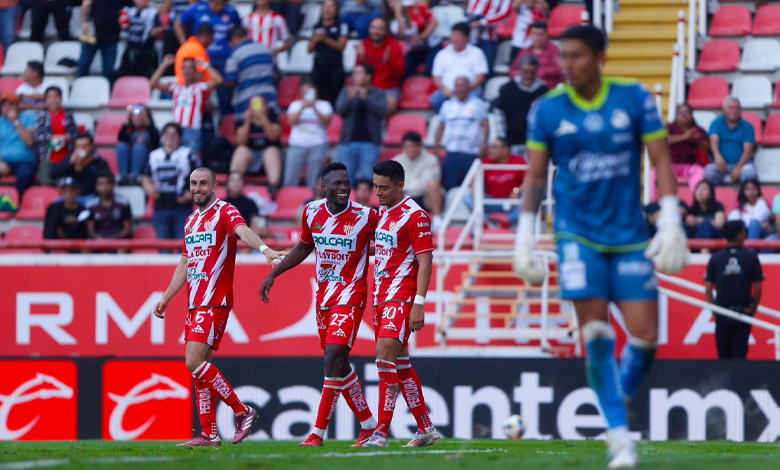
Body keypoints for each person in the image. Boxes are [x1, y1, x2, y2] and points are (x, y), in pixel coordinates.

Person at [513, 25, 688, 469]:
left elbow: (662, 159)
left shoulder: (633, 97)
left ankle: (614, 402)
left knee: (646, 338)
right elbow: (535, 178)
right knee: (595, 333)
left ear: (600, 57)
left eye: (576, 56)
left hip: (630, 234)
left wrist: (671, 221)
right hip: (576, 233)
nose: (567, 64)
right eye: (563, 56)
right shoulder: (547, 110)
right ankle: (619, 437)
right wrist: (524, 237)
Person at [153, 167, 286, 447]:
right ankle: (209, 433)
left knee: (194, 361)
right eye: (193, 183)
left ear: (214, 187)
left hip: (215, 300)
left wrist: (265, 251)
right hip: (194, 302)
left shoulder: (225, 211)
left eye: (203, 183)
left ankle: (242, 410)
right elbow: (186, 263)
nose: (198, 188)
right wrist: (167, 296)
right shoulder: (191, 221)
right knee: (200, 367)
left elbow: (242, 230)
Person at [260, 162, 379, 447]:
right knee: (339, 363)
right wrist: (274, 272)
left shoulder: (366, 216)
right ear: (323, 186)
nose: (343, 188)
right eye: (337, 183)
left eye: (346, 183)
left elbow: (390, 241)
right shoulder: (311, 212)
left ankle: (317, 432)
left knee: (332, 358)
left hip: (351, 296)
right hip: (323, 299)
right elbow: (304, 246)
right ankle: (368, 425)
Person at [363, 160, 441, 448]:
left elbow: (425, 260)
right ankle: (426, 427)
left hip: (402, 294)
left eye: (384, 188)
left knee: (384, 356)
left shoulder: (415, 216)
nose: (378, 193)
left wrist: (418, 303)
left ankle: (381, 433)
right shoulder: (383, 212)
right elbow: (385, 248)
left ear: (400, 185)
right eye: (375, 187)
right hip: (381, 296)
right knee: (400, 363)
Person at [705, 220, 763, 360]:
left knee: (723, 356)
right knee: (740, 356)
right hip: (743, 311)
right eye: (743, 231)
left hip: (723, 311)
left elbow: (707, 288)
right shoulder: (751, 258)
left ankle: (726, 382)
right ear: (739, 235)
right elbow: (758, 287)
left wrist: (715, 309)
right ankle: (740, 382)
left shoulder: (716, 258)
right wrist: (753, 307)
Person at [175, 0, 242, 116]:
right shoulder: (197, 8)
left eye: (222, 4)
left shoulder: (231, 11)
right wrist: (184, 43)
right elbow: (178, 23)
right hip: (202, 56)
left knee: (224, 97)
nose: (219, 7)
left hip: (223, 58)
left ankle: (225, 125)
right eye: (216, 3)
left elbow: (239, 32)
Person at [151, 55, 223, 155]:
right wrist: (164, 65)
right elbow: (153, 83)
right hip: (175, 131)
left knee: (190, 161)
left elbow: (218, 80)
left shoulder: (200, 87)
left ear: (195, 71)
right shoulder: (175, 87)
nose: (187, 70)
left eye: (190, 67)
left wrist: (205, 65)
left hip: (192, 130)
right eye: (184, 67)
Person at [143, 123, 198, 240]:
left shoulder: (188, 154)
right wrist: (147, 186)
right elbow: (146, 177)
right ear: (162, 136)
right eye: (167, 133)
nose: (170, 137)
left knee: (184, 248)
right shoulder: (153, 155)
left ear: (180, 137)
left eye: (174, 134)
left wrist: (192, 194)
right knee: (163, 249)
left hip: (183, 207)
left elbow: (201, 177)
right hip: (160, 206)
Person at [433, 76, 489, 191]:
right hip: (452, 151)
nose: (460, 89)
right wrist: (437, 146)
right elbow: (441, 127)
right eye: (458, 86)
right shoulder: (447, 106)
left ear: (469, 88)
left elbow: (486, 126)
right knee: (450, 184)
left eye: (463, 86)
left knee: (474, 184)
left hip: (472, 152)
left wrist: (484, 145)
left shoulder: (478, 104)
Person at [335, 63, 387, 185]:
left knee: (367, 180)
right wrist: (349, 99)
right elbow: (339, 110)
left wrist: (366, 99)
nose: (354, 76)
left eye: (359, 73)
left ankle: (365, 204)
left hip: (370, 142)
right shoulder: (346, 92)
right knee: (345, 180)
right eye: (355, 73)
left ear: (368, 76)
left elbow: (383, 111)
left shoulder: (378, 93)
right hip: (347, 142)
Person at [492, 54, 548, 154]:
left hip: (535, 144)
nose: (529, 75)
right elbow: (499, 113)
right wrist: (503, 139)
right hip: (511, 143)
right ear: (519, 70)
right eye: (526, 71)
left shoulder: (543, 91)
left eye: (532, 72)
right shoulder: (507, 89)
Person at [652, 103, 708, 201]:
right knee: (654, 172)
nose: (684, 114)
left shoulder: (698, 129)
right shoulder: (669, 127)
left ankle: (694, 204)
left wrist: (696, 141)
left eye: (687, 112)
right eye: (681, 112)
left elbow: (707, 148)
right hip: (669, 165)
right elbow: (662, 141)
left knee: (700, 172)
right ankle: (655, 203)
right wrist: (685, 137)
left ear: (692, 115)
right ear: (677, 115)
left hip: (689, 167)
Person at [464, 138, 525, 226]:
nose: (490, 150)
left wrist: (516, 190)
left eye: (494, 147)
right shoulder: (486, 162)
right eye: (490, 147)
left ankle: (507, 220)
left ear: (505, 149)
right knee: (467, 196)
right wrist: (477, 200)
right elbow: (475, 184)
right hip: (490, 201)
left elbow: (529, 181)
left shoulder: (519, 161)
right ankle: (486, 222)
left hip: (511, 202)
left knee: (529, 197)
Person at [284, 78, 333, 189]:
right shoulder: (295, 105)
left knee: (314, 179)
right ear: (301, 92)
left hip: (318, 144)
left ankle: (312, 201)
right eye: (305, 91)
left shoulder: (324, 105)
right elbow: (291, 121)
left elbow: (327, 122)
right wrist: (303, 106)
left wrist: (314, 107)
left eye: (310, 91)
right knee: (291, 178)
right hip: (297, 144)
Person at [229, 96, 283, 196]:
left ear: (265, 107)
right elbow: (241, 142)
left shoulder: (273, 120)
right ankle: (233, 186)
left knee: (272, 151)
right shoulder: (243, 122)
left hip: (268, 158)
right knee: (241, 150)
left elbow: (273, 137)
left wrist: (263, 119)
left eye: (259, 104)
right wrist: (248, 121)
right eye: (254, 105)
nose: (256, 108)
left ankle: (273, 187)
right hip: (251, 156)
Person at [429, 22, 488, 112]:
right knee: (436, 101)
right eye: (453, 35)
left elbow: (481, 77)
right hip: (448, 91)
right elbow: (436, 78)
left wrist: (466, 90)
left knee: (477, 104)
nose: (454, 39)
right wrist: (445, 90)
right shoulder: (442, 54)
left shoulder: (477, 53)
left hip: (470, 91)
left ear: (466, 38)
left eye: (458, 36)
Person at [225, 26, 277, 125]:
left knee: (247, 136)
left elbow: (231, 81)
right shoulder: (266, 49)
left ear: (234, 38)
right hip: (269, 101)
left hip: (246, 103)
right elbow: (276, 74)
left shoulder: (234, 54)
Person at [392, 131, 443, 229]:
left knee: (433, 184)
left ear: (420, 146)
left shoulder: (431, 160)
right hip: (405, 196)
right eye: (407, 146)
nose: (410, 149)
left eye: (413, 146)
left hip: (425, 197)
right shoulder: (397, 160)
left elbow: (426, 183)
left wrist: (407, 186)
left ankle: (437, 219)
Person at [356, 18, 405, 115]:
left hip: (387, 89)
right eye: (373, 28)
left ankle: (382, 129)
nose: (376, 31)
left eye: (380, 29)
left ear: (386, 31)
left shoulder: (393, 46)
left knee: (388, 105)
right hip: (368, 87)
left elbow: (401, 73)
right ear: (369, 29)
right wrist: (361, 59)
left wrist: (389, 62)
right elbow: (358, 74)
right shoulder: (364, 45)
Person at [706, 97, 757, 186]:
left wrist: (739, 167)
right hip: (720, 163)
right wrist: (717, 157)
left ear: (741, 110)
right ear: (723, 109)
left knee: (750, 174)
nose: (734, 110)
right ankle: (718, 197)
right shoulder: (716, 123)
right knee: (709, 173)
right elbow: (713, 140)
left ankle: (744, 199)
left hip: (742, 164)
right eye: (731, 107)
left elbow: (748, 150)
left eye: (737, 108)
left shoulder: (747, 126)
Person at [78, 0, 133, 80]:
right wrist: (83, 22)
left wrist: (124, 21)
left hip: (111, 37)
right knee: (83, 65)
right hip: (92, 35)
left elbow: (134, 6)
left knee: (108, 70)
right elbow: (85, 4)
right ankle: (79, 88)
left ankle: (107, 91)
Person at [385, 0, 441, 79]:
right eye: (392, 2)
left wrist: (422, 36)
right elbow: (402, 33)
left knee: (430, 70)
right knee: (403, 71)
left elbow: (434, 21)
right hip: (414, 49)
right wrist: (398, 12)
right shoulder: (392, 20)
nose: (396, 3)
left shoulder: (417, 8)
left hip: (432, 45)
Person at [34, 86, 77, 186]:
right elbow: (38, 136)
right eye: (49, 97)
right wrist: (51, 138)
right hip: (48, 157)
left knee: (66, 184)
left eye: (56, 97)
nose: (53, 100)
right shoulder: (42, 115)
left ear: (61, 99)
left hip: (66, 157)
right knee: (45, 182)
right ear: (46, 100)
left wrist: (67, 137)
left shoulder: (68, 114)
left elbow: (75, 133)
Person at [310, 0, 349, 104]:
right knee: (318, 98)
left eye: (331, 6)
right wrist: (315, 40)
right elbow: (309, 49)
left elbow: (341, 46)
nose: (327, 9)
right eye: (325, 6)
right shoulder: (316, 27)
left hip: (335, 68)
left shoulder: (342, 26)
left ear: (336, 10)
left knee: (335, 99)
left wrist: (325, 39)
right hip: (318, 67)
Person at [50, 133, 111, 199]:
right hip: (71, 197)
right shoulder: (71, 159)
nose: (81, 149)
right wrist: (69, 162)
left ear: (91, 146)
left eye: (85, 146)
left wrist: (84, 165)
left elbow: (105, 182)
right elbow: (53, 174)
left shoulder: (100, 162)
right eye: (78, 146)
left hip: (91, 197)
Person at [0, 93, 37, 197]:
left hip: (24, 161)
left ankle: (15, 202)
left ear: (18, 106)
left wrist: (16, 122)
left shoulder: (29, 118)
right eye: (5, 105)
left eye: (11, 105)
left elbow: (29, 141)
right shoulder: (0, 122)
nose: (8, 108)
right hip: (3, 161)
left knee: (26, 175)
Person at [508, 21, 563, 90]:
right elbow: (512, 71)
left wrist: (541, 72)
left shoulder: (554, 50)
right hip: (526, 90)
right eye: (534, 34)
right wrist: (522, 74)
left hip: (548, 90)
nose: (537, 38)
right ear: (530, 35)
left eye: (541, 34)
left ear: (546, 35)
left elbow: (559, 69)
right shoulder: (525, 51)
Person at [116, 0, 163, 78]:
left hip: (146, 49)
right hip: (131, 48)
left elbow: (160, 28)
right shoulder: (129, 11)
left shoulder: (152, 12)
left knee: (145, 74)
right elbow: (123, 27)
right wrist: (121, 23)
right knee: (126, 73)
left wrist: (155, 31)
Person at [465, 0, 512, 73]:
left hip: (488, 38)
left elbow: (505, 14)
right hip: (470, 35)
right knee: (467, 66)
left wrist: (482, 22)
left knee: (485, 69)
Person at [116, 105, 160, 181]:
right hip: (130, 159)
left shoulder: (151, 129)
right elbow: (121, 138)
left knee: (139, 147)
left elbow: (156, 141)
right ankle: (123, 175)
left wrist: (148, 123)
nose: (138, 118)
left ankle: (135, 175)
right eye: (135, 115)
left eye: (141, 114)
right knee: (121, 146)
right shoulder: (129, 129)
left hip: (145, 161)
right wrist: (126, 123)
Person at [85, 172, 133, 240]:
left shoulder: (123, 203)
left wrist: (115, 238)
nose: (105, 187)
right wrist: (98, 238)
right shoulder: (90, 205)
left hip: (118, 240)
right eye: (101, 184)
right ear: (96, 187)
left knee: (122, 248)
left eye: (108, 183)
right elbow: (90, 229)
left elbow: (127, 229)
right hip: (98, 240)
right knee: (86, 248)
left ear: (113, 185)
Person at [224, 171, 270, 237]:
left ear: (243, 183)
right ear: (227, 184)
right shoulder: (221, 204)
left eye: (239, 180)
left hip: (247, 240)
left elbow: (256, 223)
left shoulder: (250, 203)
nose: (236, 182)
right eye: (232, 180)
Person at [160, 0, 195, 73]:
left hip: (189, 28)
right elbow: (163, 11)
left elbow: (196, 8)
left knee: (188, 57)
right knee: (170, 57)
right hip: (172, 30)